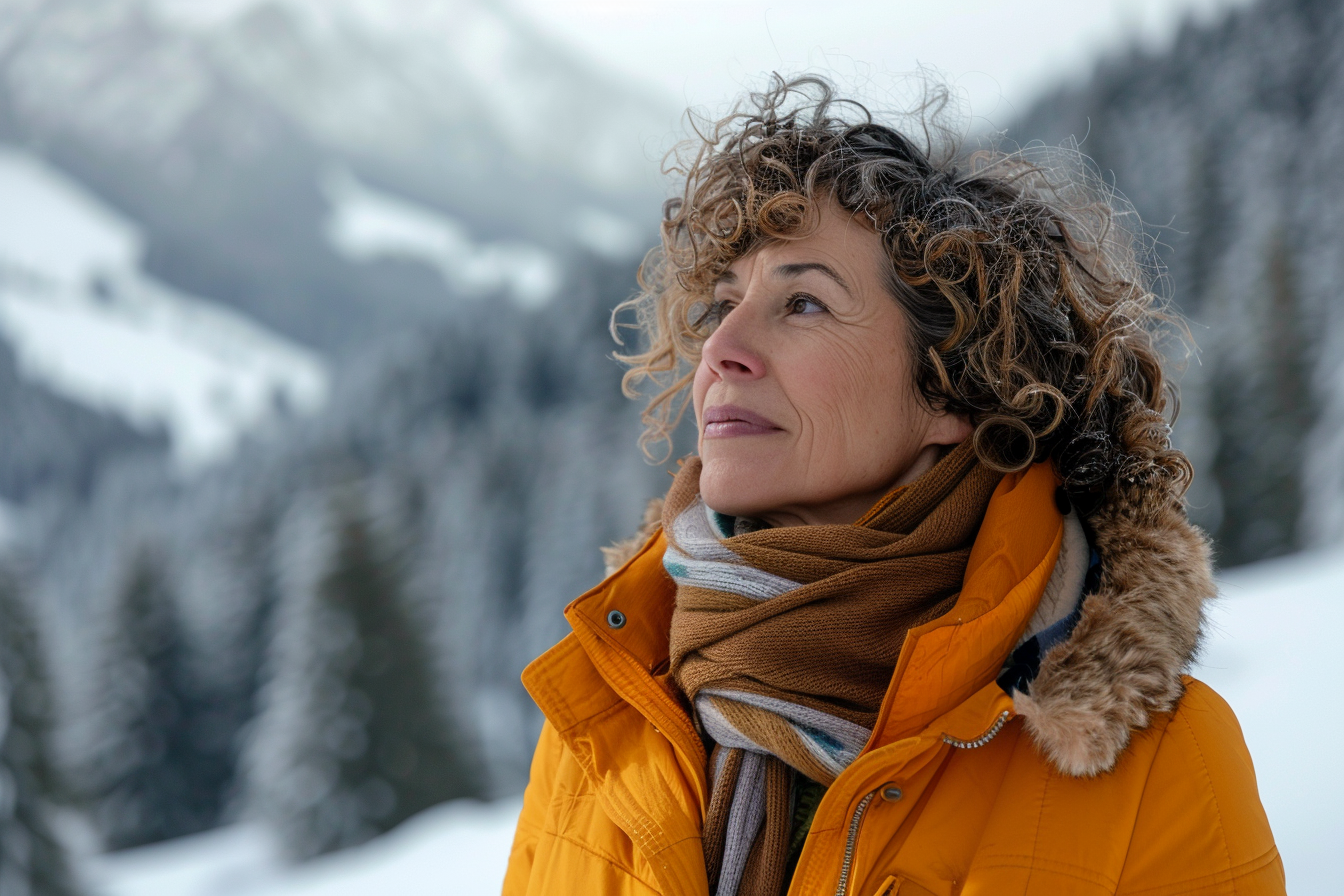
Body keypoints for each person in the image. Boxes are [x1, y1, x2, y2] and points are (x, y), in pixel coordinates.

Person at [502, 76, 1284, 896]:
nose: (723, 347)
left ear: (952, 386)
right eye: (723, 305)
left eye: (802, 302)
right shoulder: (606, 718)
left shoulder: (1156, 769)